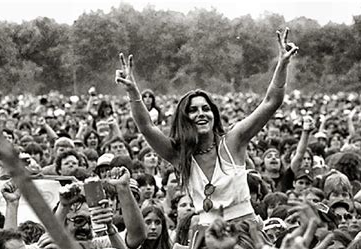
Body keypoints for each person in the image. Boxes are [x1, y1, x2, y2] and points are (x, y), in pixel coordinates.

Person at [116, 28, 298, 225]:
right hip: (207, 239)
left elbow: (271, 102)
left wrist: (283, 64)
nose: (201, 114)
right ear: (184, 119)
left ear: (214, 114)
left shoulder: (233, 141)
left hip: (247, 234)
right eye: (193, 110)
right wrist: (133, 91)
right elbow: (146, 127)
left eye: (206, 108)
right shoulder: (180, 154)